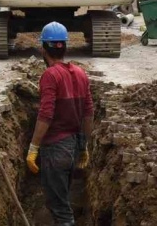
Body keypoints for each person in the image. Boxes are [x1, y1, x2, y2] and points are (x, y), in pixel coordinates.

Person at [26, 22, 94, 226]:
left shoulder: (50, 75)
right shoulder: (81, 73)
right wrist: (83, 146)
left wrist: (33, 148)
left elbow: (46, 114)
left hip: (55, 149)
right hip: (72, 148)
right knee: (63, 199)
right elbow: (88, 113)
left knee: (60, 208)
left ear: (43, 49)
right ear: (65, 47)